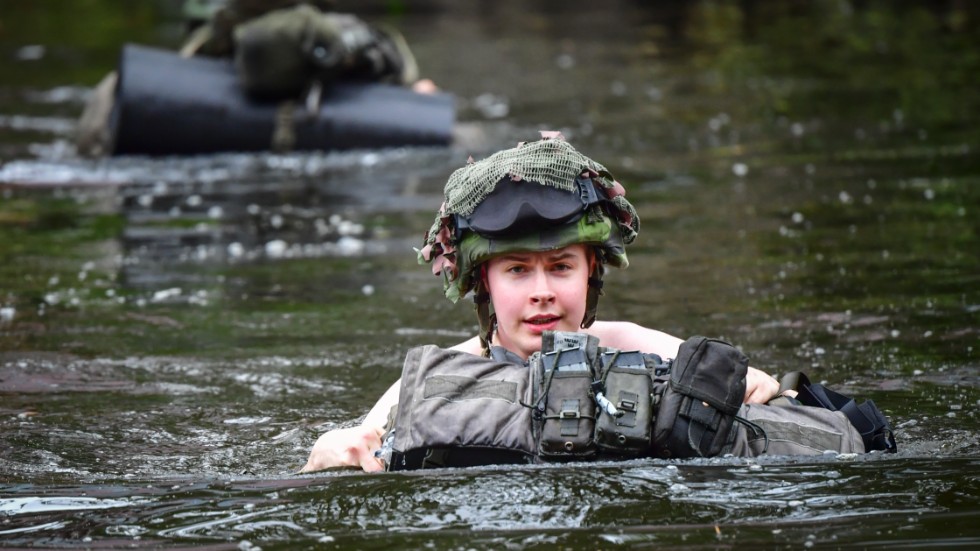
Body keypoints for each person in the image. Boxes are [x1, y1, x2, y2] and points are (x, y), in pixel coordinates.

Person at [302, 132, 897, 473]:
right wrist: (339, 449)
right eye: (517, 270)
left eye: (561, 267)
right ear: (483, 283)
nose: (541, 290)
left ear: (592, 272)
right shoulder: (439, 381)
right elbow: (337, 448)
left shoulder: (634, 344)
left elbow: (760, 390)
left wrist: (765, 392)